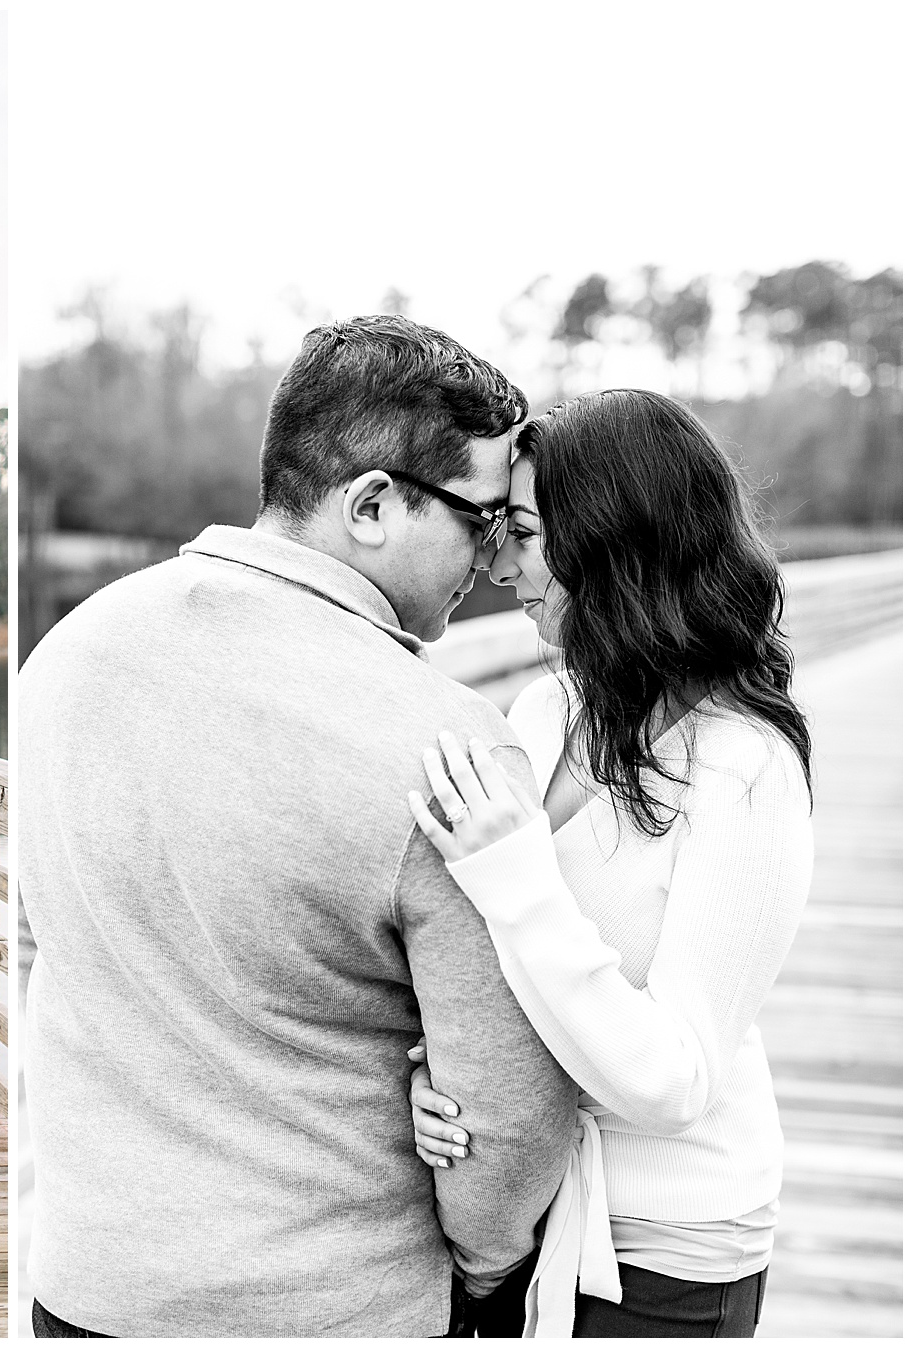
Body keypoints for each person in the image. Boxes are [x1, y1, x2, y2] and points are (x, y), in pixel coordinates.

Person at [19, 315, 579, 1337]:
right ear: (371, 505)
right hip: (333, 1307)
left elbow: (41, 942)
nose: (495, 560)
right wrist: (489, 1266)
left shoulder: (65, 653)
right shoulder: (449, 750)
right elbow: (507, 1106)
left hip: (85, 1289)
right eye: (481, 520)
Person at [405, 390, 814, 1337]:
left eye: (527, 535)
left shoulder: (745, 765)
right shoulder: (549, 712)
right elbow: (508, 981)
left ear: (614, 544)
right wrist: (443, 1081)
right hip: (525, 1197)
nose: (499, 564)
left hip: (668, 1245)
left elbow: (675, 1082)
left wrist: (513, 880)